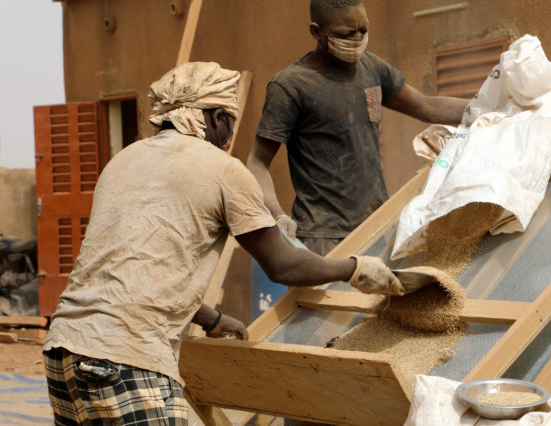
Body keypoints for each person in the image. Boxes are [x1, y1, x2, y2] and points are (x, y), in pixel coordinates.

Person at [42, 62, 404, 425]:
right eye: (229, 120)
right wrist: (355, 268)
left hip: (63, 351)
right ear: (214, 118)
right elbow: (283, 265)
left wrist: (209, 317)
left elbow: (123, 271)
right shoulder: (223, 170)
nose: (230, 133)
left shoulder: (123, 161)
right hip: (127, 360)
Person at [247, 0, 470, 256]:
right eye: (346, 34)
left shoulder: (371, 68)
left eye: (363, 30)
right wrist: (277, 215)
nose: (357, 39)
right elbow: (257, 162)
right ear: (316, 32)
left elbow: (425, 106)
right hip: (324, 240)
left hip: (378, 229)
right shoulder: (290, 86)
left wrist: (489, 106)